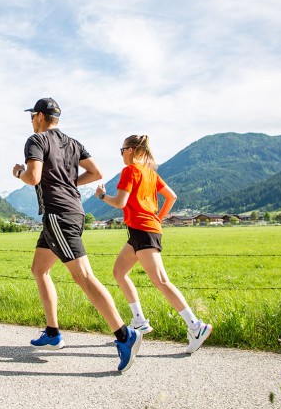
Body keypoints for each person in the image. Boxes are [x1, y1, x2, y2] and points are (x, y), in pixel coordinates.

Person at [12, 98, 141, 372]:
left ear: (39, 116)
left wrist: (19, 172)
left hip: (58, 215)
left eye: (32, 116)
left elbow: (33, 178)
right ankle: (52, 332)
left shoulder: (36, 141)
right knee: (40, 269)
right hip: (70, 212)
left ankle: (124, 335)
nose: (31, 121)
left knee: (83, 275)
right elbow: (96, 173)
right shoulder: (72, 142)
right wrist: (69, 181)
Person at [94, 134, 212, 354]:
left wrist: (102, 196)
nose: (121, 155)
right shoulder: (151, 174)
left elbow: (120, 202)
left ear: (130, 150)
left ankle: (196, 326)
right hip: (141, 232)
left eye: (122, 151)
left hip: (144, 232)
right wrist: (158, 217)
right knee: (119, 272)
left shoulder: (130, 171)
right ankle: (139, 320)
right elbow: (172, 197)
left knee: (161, 281)